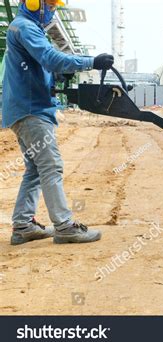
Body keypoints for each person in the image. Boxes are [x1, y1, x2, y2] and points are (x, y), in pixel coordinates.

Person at [2, 0, 114, 245]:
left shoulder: (24, 28)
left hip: (23, 109)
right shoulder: (26, 27)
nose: (52, 10)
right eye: (50, 4)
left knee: (35, 170)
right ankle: (64, 226)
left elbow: (43, 64)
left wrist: (56, 74)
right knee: (51, 166)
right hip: (32, 110)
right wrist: (90, 62)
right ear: (34, 3)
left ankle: (23, 226)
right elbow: (51, 58)